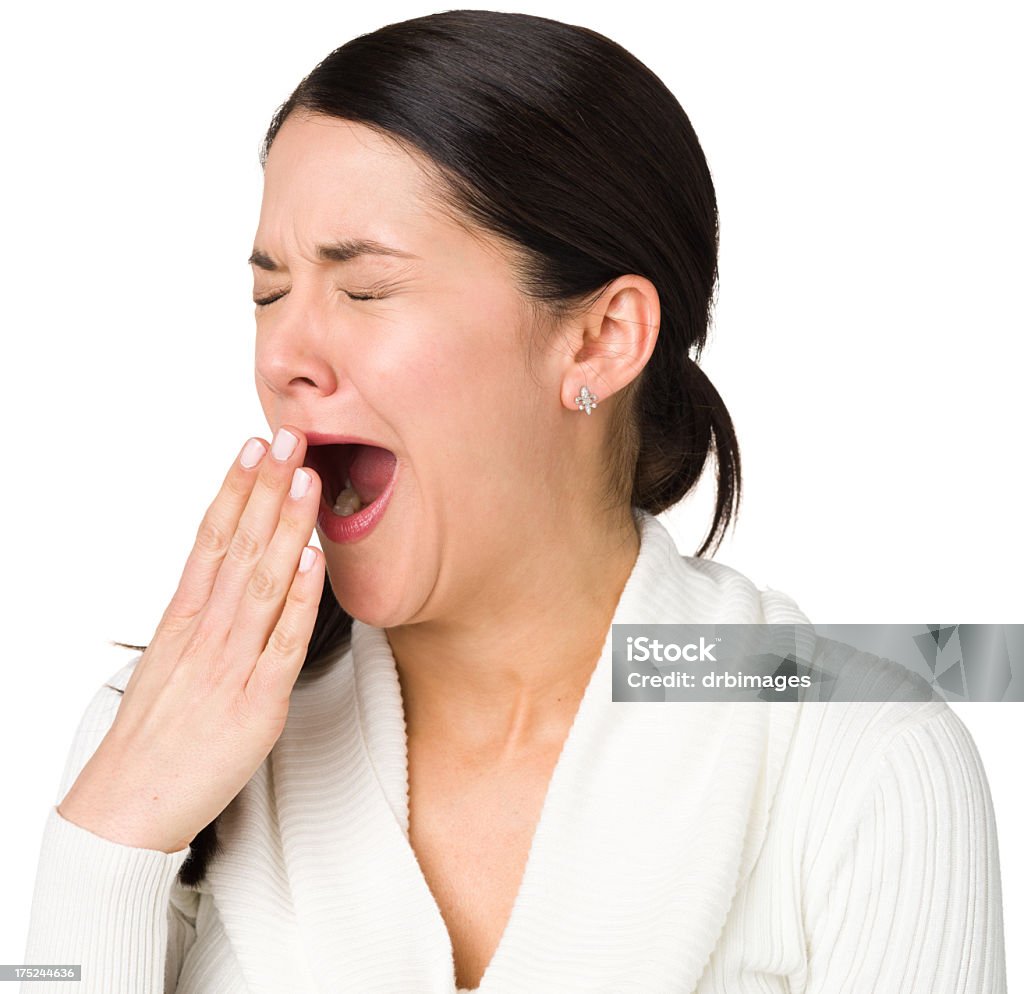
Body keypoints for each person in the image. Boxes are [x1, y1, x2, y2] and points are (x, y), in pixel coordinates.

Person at [20, 10, 1006, 994]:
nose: (282, 358)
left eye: (363, 290)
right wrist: (105, 839)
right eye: (269, 297)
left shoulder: (866, 762)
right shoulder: (158, 736)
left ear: (600, 339)